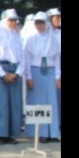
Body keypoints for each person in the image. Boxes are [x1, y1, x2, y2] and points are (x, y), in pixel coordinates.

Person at [0, 9, 24, 144]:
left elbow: (23, 57)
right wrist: (3, 74)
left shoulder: (17, 36)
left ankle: (11, 134)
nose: (13, 23)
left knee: (14, 104)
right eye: (10, 20)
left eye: (15, 20)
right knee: (0, 103)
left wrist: (18, 73)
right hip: (0, 70)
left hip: (14, 70)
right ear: (4, 21)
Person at [23, 12, 60, 142]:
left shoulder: (53, 39)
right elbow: (26, 59)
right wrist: (28, 76)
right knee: (37, 102)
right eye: (37, 23)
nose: (39, 26)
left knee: (51, 102)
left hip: (50, 71)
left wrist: (58, 76)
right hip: (35, 71)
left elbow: (57, 59)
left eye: (42, 23)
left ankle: (52, 132)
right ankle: (38, 132)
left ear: (47, 24)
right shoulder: (31, 38)